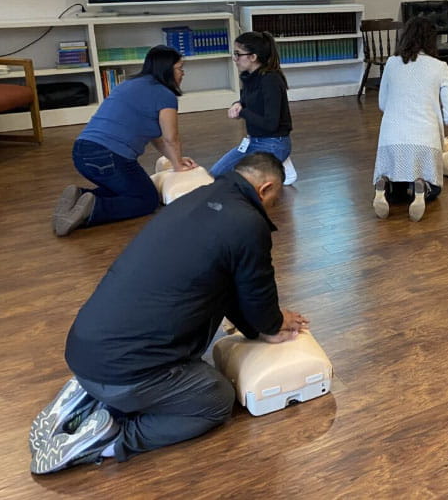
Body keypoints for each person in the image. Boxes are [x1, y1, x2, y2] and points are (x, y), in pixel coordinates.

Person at [29, 153, 309, 475]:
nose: (272, 208)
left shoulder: (194, 199)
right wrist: (272, 323)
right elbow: (256, 292)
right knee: (216, 399)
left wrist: (259, 326)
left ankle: (91, 396)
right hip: (122, 373)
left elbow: (231, 288)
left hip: (84, 350)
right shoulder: (247, 221)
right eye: (273, 201)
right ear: (265, 188)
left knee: (169, 355)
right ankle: (110, 439)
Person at [52, 45, 197, 236]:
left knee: (127, 189)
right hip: (109, 157)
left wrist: (176, 160)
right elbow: (171, 137)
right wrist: (178, 166)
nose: (183, 73)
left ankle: (80, 196)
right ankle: (93, 209)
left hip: (82, 152)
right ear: (166, 69)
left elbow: (157, 137)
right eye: (180, 68)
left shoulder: (128, 84)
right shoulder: (165, 95)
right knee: (146, 199)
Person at [372, 16, 448, 221]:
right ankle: (422, 185)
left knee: (397, 193)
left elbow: (382, 104)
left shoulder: (392, 63)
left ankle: (384, 183)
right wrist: (437, 122)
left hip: (391, 141)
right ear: (432, 40)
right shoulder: (440, 67)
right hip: (424, 141)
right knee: (434, 191)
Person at [210, 31, 296, 184]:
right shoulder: (249, 76)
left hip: (274, 142)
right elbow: (248, 101)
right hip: (253, 141)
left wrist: (243, 112)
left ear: (253, 57)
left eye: (238, 54)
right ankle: (279, 164)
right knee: (215, 174)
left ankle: (280, 165)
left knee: (241, 182)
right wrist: (238, 104)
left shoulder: (270, 80)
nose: (235, 59)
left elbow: (271, 124)